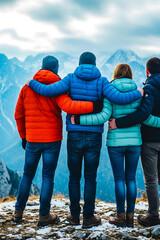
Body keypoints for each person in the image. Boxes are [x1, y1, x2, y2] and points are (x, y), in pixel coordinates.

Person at [27, 52, 143, 228]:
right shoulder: (102, 81)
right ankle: (88, 217)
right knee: (90, 178)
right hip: (94, 136)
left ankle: (74, 216)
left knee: (74, 177)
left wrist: (31, 83)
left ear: (79, 63)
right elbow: (119, 98)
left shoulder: (71, 79)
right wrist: (139, 92)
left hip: (74, 135)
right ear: (95, 64)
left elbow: (49, 91)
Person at [70, 63, 160, 227]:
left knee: (119, 179)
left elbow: (103, 116)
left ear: (115, 74)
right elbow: (145, 117)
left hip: (115, 143)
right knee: (131, 179)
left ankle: (120, 216)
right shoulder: (139, 92)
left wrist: (79, 120)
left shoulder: (110, 91)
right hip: (135, 142)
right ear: (131, 75)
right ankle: (130, 217)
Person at [13, 55, 103, 227]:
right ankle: (44, 215)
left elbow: (18, 115)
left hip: (32, 138)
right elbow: (70, 106)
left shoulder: (26, 88)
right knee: (47, 176)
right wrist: (93, 106)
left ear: (42, 67)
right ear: (56, 69)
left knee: (27, 175)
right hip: (52, 139)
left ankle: (18, 212)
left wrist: (23, 136)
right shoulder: (57, 87)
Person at [109, 57, 160, 228]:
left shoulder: (149, 89)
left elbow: (143, 115)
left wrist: (118, 123)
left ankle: (153, 217)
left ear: (147, 71)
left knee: (151, 180)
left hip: (149, 141)